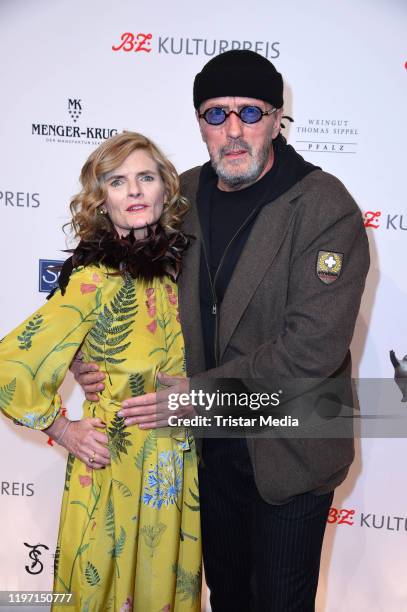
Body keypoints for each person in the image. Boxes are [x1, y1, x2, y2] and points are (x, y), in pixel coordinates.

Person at [75, 51, 370, 611]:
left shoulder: (324, 205)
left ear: (277, 117)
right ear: (199, 123)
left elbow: (313, 349)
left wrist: (200, 396)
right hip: (206, 451)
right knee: (228, 596)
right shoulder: (178, 196)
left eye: (249, 112)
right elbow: (110, 277)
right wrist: (81, 351)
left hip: (289, 447)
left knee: (279, 601)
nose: (233, 131)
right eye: (216, 114)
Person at [0, 131, 201, 611]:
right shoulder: (92, 278)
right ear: (102, 200)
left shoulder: (189, 270)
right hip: (113, 467)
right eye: (118, 181)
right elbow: (11, 363)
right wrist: (62, 429)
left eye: (145, 177)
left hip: (176, 466)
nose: (133, 191)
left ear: (165, 190)